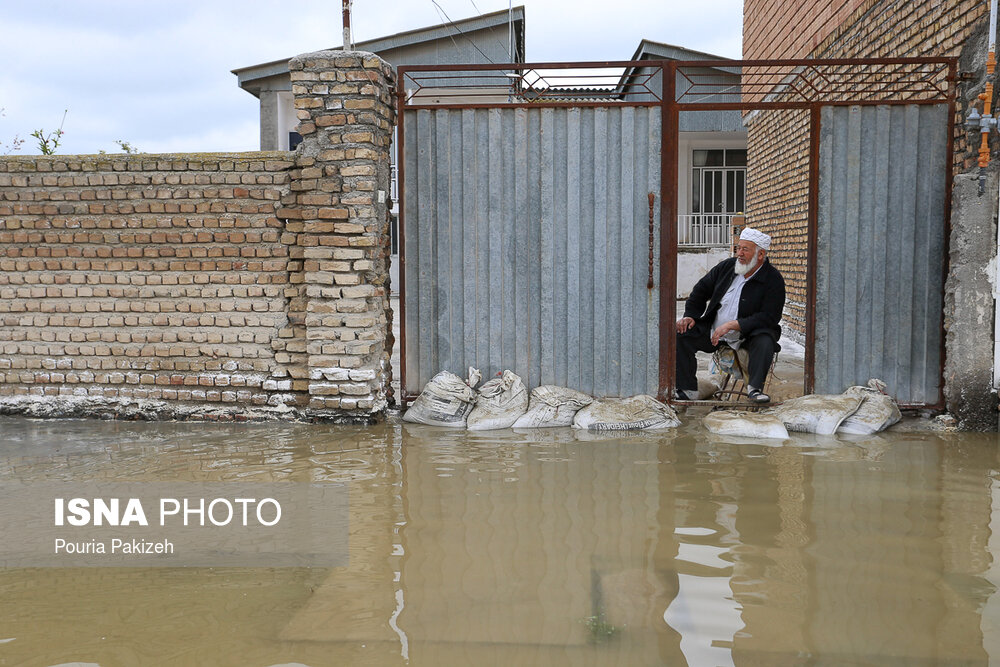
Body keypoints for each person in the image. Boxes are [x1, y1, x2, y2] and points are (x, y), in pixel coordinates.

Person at [675, 227, 785, 403]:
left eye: (745, 249)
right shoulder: (727, 267)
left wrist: (734, 325)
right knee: (682, 334)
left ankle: (754, 389)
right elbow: (700, 291)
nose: (739, 253)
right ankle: (686, 388)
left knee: (765, 340)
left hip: (748, 334)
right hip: (714, 330)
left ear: (760, 254)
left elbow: (769, 317)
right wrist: (691, 316)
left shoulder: (773, 280)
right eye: (738, 248)